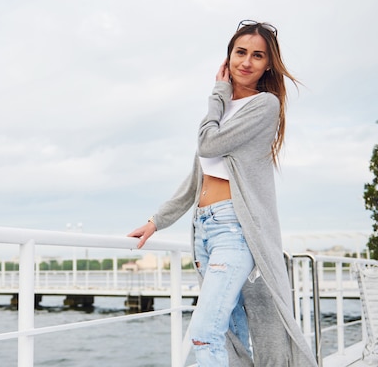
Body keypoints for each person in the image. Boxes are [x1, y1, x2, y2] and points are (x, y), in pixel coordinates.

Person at [127, 20, 318, 367]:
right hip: (204, 231)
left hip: (235, 229)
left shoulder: (264, 106)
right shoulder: (222, 110)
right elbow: (196, 178)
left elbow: (207, 143)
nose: (246, 62)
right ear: (228, 56)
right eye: (240, 52)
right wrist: (157, 220)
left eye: (257, 55)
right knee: (230, 334)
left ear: (268, 64)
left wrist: (217, 94)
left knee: (204, 331)